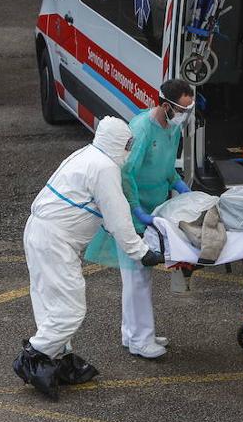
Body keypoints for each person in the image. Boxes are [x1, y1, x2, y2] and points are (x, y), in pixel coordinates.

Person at [14, 116, 164, 401]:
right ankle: (33, 356)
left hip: (40, 232)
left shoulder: (86, 154)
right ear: (118, 144)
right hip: (55, 240)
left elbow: (100, 210)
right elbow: (118, 217)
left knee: (49, 301)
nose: (130, 150)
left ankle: (57, 360)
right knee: (70, 308)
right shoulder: (105, 167)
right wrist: (141, 252)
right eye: (128, 144)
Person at [119, 78, 196, 358]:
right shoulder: (141, 129)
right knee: (137, 276)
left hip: (153, 210)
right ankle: (142, 340)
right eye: (183, 109)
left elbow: (165, 168)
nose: (186, 115)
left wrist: (180, 187)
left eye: (190, 109)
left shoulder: (172, 130)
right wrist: (136, 210)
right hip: (132, 212)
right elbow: (126, 174)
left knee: (138, 275)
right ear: (166, 106)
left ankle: (132, 334)